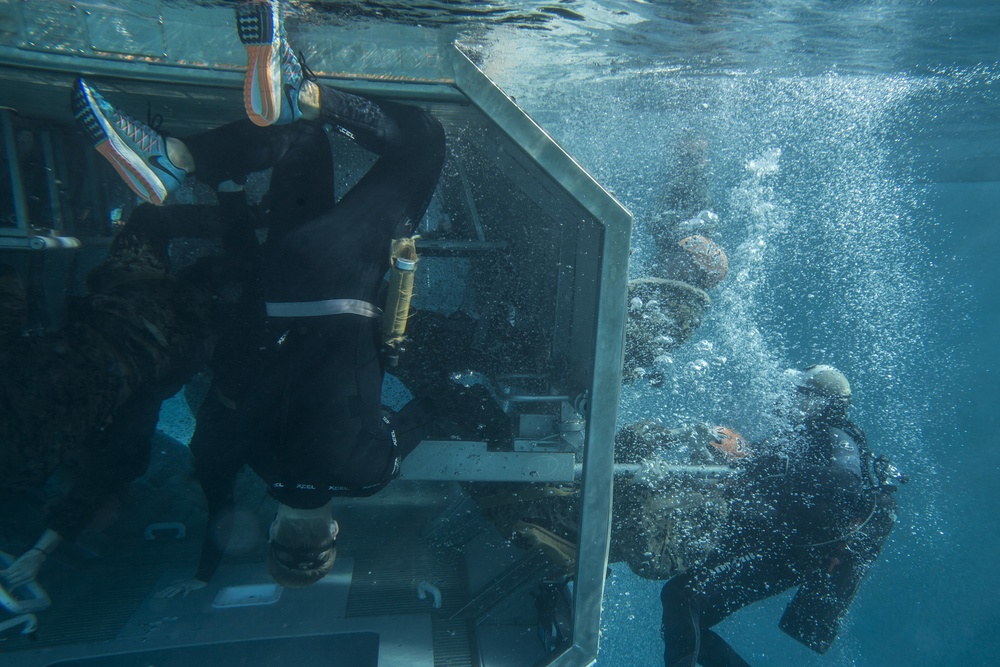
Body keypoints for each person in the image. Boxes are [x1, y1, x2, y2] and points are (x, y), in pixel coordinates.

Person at [72, 0, 446, 593]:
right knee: (298, 140)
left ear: (333, 535)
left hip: (345, 279)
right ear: (274, 530)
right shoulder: (251, 456)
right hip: (278, 274)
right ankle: (180, 160)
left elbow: (432, 409)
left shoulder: (370, 473)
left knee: (424, 142)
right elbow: (210, 432)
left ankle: (312, 94)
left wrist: (466, 390)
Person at [0, 197, 253, 592]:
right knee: (150, 220)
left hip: (168, 339)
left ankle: (253, 236)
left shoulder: (60, 451)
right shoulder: (30, 443)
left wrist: (40, 552)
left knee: (213, 280)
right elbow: (9, 292)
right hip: (128, 301)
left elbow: (103, 478)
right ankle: (247, 219)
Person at [660, 364, 902, 666]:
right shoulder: (804, 436)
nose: (790, 401)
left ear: (821, 403)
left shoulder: (836, 437)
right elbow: (757, 464)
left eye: (800, 396)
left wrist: (769, 464)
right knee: (682, 607)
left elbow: (841, 483)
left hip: (794, 553)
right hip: (776, 537)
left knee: (684, 599)